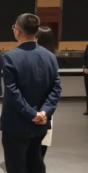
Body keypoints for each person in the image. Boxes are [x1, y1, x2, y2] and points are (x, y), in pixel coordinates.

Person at [0, 14, 62, 173]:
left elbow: (12, 93)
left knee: (16, 171)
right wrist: (44, 112)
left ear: (17, 31)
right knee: (36, 167)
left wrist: (31, 113)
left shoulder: (11, 57)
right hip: (40, 124)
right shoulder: (49, 57)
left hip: (16, 125)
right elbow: (56, 88)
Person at [37, 26, 58, 160]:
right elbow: (55, 88)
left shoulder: (40, 57)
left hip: (35, 104)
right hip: (47, 107)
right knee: (44, 137)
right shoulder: (52, 57)